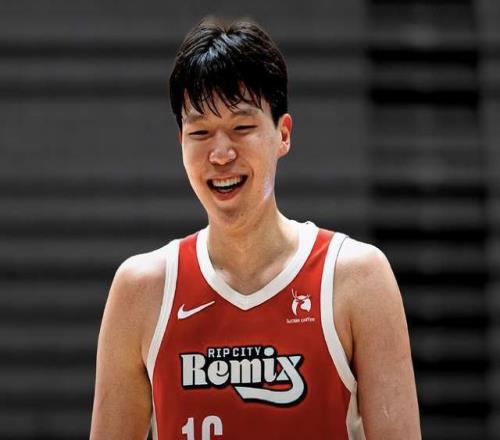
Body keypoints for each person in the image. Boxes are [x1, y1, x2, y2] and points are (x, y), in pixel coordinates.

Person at [90, 17, 421, 440]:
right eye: (200, 132)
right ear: (181, 143)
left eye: (242, 128)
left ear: (283, 134)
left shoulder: (357, 278)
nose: (221, 154)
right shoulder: (141, 290)